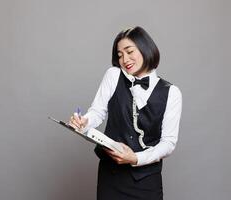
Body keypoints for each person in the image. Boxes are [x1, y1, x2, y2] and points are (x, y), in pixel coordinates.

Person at [69, 26, 182, 200]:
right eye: (120, 55)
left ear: (145, 48)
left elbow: (168, 143)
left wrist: (135, 158)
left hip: (146, 182)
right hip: (111, 178)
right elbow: (97, 112)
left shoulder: (172, 92)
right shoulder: (113, 75)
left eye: (129, 51)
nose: (124, 59)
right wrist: (84, 121)